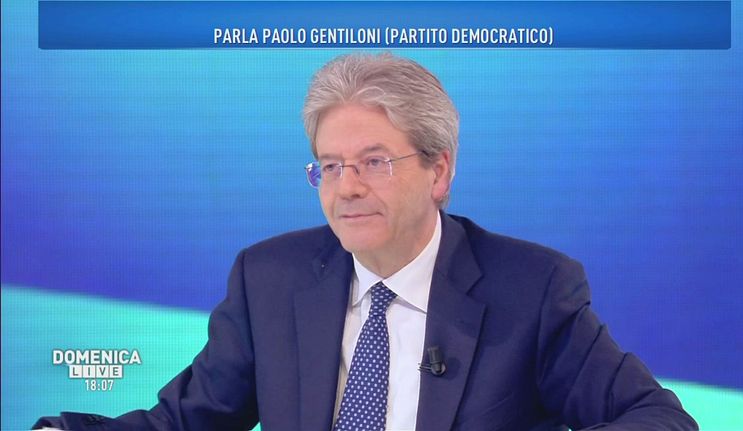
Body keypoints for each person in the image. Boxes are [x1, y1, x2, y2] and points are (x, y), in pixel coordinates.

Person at [34, 52, 698, 430]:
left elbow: (657, 418)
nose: (345, 187)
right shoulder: (270, 279)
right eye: (329, 165)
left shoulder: (531, 290)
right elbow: (183, 423)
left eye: (374, 161)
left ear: (439, 171)